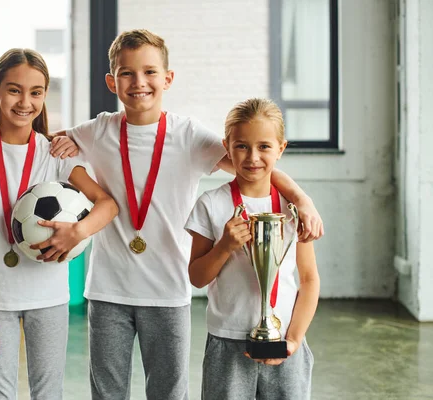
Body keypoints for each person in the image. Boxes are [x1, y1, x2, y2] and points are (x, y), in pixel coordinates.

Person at [48, 29, 323, 400]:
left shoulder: (189, 135)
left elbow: (253, 165)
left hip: (169, 290)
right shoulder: (97, 130)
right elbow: (33, 140)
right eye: (127, 73)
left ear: (168, 78)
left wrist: (301, 198)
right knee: (107, 392)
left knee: (168, 392)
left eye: (149, 72)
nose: (139, 82)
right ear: (112, 81)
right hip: (109, 289)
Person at [0, 48, 118, 400]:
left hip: (49, 296)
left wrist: (78, 231)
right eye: (14, 90)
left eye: (36, 92)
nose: (25, 101)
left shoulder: (55, 154)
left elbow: (108, 205)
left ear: (45, 95)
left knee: (48, 392)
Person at [186, 98, 320, 399]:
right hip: (227, 341)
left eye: (264, 146)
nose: (252, 157)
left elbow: (309, 280)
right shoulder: (211, 204)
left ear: (281, 149)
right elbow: (196, 277)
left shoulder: (294, 208)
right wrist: (224, 246)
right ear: (227, 147)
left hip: (286, 339)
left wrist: (294, 340)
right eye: (242, 146)